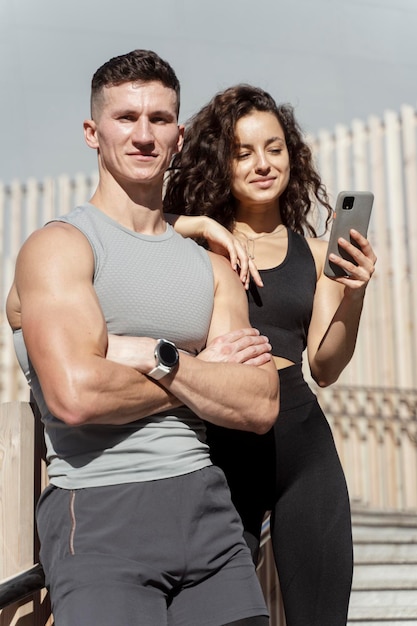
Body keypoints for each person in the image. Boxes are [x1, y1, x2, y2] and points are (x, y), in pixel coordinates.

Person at [6, 52, 281, 626]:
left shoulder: (210, 268)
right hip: (102, 513)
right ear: (92, 132)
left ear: (179, 136)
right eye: (126, 117)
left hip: (209, 512)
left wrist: (155, 358)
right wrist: (200, 366)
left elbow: (259, 404)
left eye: (159, 119)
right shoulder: (59, 248)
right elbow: (76, 396)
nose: (142, 134)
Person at [163, 84, 377, 626]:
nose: (263, 164)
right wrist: (200, 225)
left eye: (274, 148)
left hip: (302, 447)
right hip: (219, 444)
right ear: (221, 163)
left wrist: (355, 294)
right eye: (244, 152)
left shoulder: (314, 253)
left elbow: (326, 366)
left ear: (292, 154)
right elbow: (141, 239)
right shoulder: (192, 243)